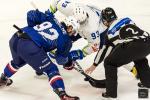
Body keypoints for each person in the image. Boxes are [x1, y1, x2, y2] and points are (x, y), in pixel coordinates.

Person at [0, 9, 80, 100]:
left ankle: (3, 78)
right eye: (73, 31)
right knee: (51, 69)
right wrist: (68, 62)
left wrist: (37, 28)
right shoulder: (66, 40)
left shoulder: (51, 19)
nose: (72, 34)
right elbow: (60, 59)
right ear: (70, 27)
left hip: (16, 37)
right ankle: (63, 94)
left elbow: (31, 14)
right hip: (30, 47)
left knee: (18, 62)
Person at [49, 0, 139, 78]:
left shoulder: (92, 29)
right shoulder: (71, 8)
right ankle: (47, 61)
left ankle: (133, 69)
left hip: (99, 31)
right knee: (60, 38)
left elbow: (93, 47)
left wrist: (77, 54)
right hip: (75, 26)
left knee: (108, 52)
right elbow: (57, 2)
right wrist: (49, 13)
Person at [85, 7, 150, 99]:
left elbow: (103, 51)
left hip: (133, 46)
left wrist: (94, 64)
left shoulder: (109, 33)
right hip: (147, 42)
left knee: (109, 62)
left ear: (105, 20)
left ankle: (111, 93)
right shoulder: (127, 19)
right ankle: (148, 82)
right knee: (139, 57)